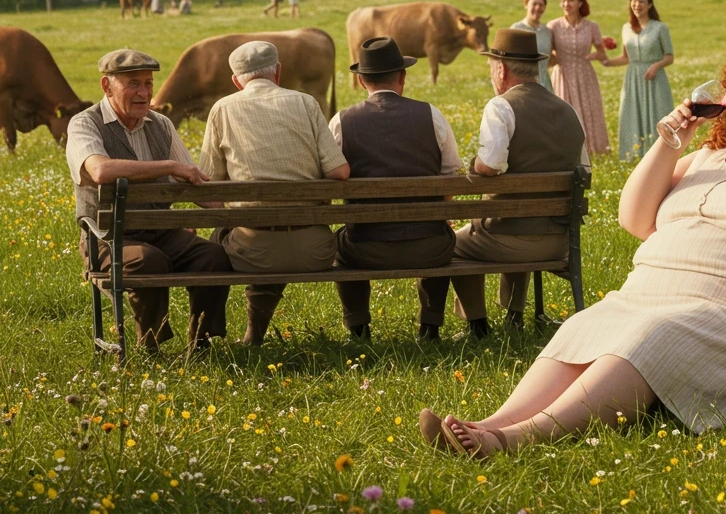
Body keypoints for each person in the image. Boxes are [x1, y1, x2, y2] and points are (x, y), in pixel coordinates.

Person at [424, 36, 726, 457]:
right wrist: (669, 144)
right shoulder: (704, 158)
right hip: (655, 300)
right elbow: (635, 218)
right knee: (591, 322)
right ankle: (489, 424)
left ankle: (514, 440)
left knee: (654, 334)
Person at [419, 28, 588, 349]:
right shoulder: (570, 111)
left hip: (509, 240)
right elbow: (585, 169)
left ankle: (478, 325)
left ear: (501, 68)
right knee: (516, 215)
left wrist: (476, 166)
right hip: (559, 243)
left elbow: (492, 165)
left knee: (453, 243)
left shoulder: (501, 107)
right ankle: (513, 316)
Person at [66, 49, 231, 353]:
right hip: (108, 239)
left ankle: (202, 344)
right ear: (107, 86)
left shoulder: (161, 124)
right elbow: (101, 170)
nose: (144, 93)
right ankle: (151, 344)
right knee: (148, 260)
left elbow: (192, 180)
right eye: (133, 84)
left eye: (148, 84)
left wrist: (229, 214)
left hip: (162, 233)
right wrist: (168, 167)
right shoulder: (84, 124)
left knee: (213, 257)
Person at [198, 41, 350, 345]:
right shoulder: (306, 103)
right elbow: (339, 172)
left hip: (251, 253)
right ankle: (254, 333)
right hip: (316, 251)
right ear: (277, 71)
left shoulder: (222, 109)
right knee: (272, 229)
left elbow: (208, 191)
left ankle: (207, 334)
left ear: (236, 80)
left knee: (218, 244)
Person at [328, 37, 461, 341]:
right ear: (402, 76)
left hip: (364, 248)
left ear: (361, 81)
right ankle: (430, 327)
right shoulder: (432, 115)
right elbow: (451, 178)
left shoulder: (341, 122)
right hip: (429, 247)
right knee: (440, 233)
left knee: (340, 244)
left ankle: (358, 328)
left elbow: (328, 175)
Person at [603, 0, 674, 159]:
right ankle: (633, 154)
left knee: (657, 113)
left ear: (649, 4)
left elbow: (669, 57)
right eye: (634, 1)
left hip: (654, 79)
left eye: (641, 1)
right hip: (633, 78)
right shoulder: (626, 28)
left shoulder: (660, 28)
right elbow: (625, 57)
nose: (637, 5)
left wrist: (655, 66)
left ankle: (660, 154)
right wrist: (606, 62)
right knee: (631, 114)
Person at [547, 0, 610, 154]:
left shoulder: (591, 27)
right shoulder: (553, 26)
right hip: (562, 74)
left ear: (580, 3)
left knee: (590, 110)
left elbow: (602, 53)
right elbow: (549, 55)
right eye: (564, 1)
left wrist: (593, 56)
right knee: (565, 112)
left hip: (585, 74)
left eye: (571, 0)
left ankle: (594, 150)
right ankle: (566, 151)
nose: (566, 4)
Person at [511, 0, 553, 91]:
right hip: (523, 83)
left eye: (541, 5)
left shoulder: (547, 32)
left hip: (545, 83)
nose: (538, 8)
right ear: (526, 5)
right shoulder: (516, 29)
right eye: (534, 4)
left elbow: (552, 57)